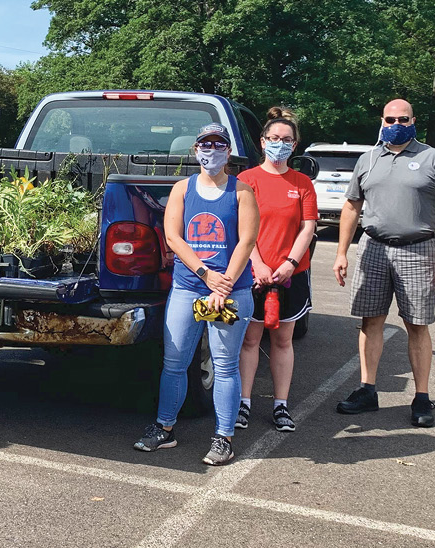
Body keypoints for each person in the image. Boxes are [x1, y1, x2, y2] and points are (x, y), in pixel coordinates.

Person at [133, 123, 259, 466]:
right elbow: (174, 237)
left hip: (231, 292)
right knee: (174, 363)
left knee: (225, 364)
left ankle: (224, 438)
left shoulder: (242, 192)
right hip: (189, 288)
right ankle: (164, 429)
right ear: (195, 150)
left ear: (228, 152)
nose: (212, 151)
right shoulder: (182, 189)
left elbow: (246, 242)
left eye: (219, 145)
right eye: (206, 144)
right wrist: (206, 275)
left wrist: (225, 285)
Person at [332, 99, 435, 428]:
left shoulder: (433, 158)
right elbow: (351, 207)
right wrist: (341, 252)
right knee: (370, 321)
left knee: (417, 325)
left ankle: (421, 397)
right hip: (374, 248)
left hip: (417, 250)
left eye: (403, 118)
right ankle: (367, 390)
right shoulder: (368, 159)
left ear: (413, 119)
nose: (396, 123)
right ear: (382, 120)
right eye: (390, 118)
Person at [236, 107, 318, 433]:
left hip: (290, 276)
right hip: (254, 274)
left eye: (286, 140)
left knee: (283, 341)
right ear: (262, 142)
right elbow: (243, 227)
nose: (279, 144)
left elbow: (308, 227)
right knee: (250, 340)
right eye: (274, 139)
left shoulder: (302, 183)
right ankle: (243, 403)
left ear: (294, 145)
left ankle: (281, 405)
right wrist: (257, 263)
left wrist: (289, 264)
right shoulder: (246, 180)